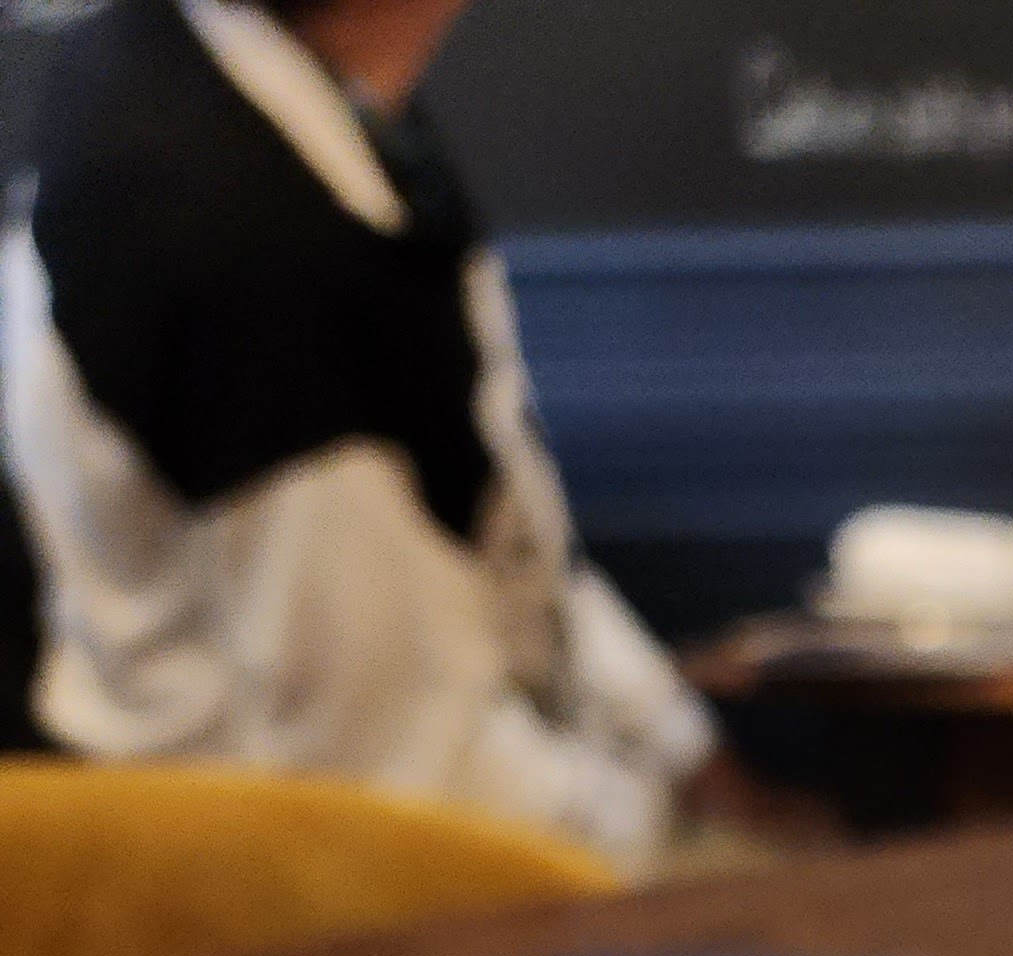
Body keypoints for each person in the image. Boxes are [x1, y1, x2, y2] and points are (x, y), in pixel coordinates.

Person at [1, 0, 720, 866]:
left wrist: (681, 743)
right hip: (288, 892)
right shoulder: (247, 246)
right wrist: (678, 842)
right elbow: (396, 772)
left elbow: (496, 527)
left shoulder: (250, 86)